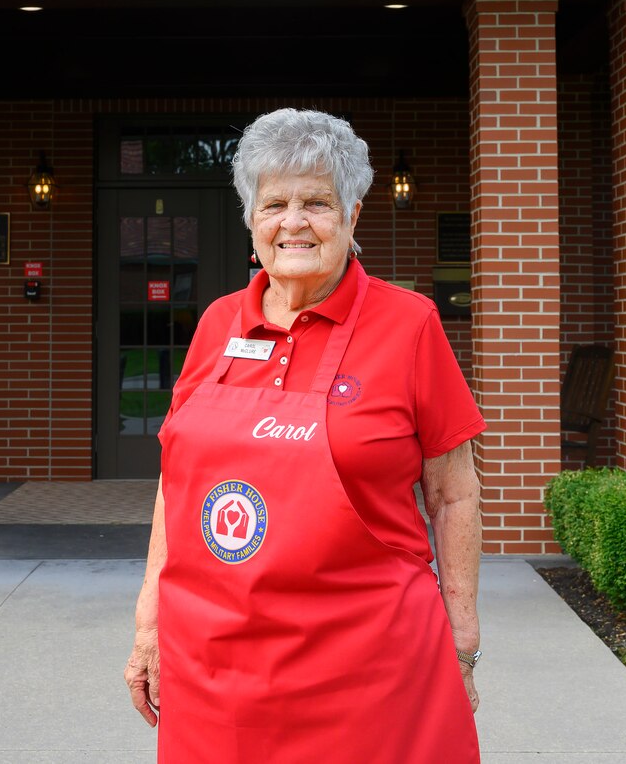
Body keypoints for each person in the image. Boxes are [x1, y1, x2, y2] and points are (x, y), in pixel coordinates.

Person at [124, 108, 484, 763]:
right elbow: (174, 483)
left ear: (352, 214)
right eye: (275, 204)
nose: (293, 222)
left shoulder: (410, 326)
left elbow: (453, 492)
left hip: (369, 674)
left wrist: (462, 633)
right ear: (251, 221)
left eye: (316, 202)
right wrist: (150, 619)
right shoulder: (214, 326)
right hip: (217, 676)